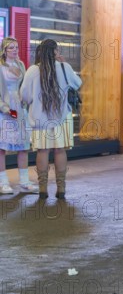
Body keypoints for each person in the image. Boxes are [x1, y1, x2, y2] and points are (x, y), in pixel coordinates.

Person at [20, 39, 82, 199]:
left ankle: (42, 189)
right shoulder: (64, 67)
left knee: (42, 151)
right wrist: (65, 64)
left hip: (40, 119)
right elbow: (78, 83)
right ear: (54, 52)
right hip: (61, 117)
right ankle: (61, 189)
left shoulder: (33, 70)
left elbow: (25, 96)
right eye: (58, 50)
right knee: (60, 150)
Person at [0, 37, 38, 194]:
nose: (15, 50)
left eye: (16, 47)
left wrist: (25, 101)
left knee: (23, 147)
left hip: (19, 108)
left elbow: (24, 87)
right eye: (11, 48)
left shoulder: (21, 64)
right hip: (4, 109)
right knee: (2, 148)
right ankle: (3, 183)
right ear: (4, 50)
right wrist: (4, 108)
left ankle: (24, 181)